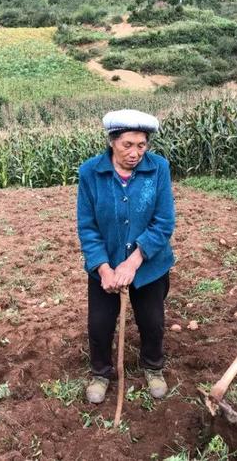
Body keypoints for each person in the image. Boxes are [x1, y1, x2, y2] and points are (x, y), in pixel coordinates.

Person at [77, 109, 175, 404]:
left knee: (152, 320)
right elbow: (87, 225)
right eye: (127, 145)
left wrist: (134, 261)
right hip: (105, 266)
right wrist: (105, 269)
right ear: (112, 141)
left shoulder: (158, 169)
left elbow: (164, 221)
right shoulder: (90, 173)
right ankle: (101, 372)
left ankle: (153, 367)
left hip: (149, 266)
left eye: (141, 145)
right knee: (100, 323)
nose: (135, 153)